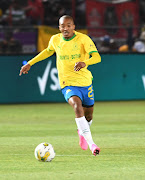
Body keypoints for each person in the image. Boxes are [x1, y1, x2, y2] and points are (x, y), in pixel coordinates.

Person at [19, 15, 101, 156]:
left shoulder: (83, 39)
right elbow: (47, 52)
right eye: (62, 26)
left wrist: (84, 63)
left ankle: (81, 131)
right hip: (67, 83)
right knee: (76, 106)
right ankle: (92, 144)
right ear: (59, 28)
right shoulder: (55, 40)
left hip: (85, 82)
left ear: (74, 27)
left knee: (89, 116)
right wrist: (30, 63)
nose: (65, 28)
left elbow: (97, 57)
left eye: (69, 25)